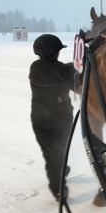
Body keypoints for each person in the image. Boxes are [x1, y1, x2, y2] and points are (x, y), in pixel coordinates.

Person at [29, 34, 76, 201]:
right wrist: (74, 69)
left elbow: (52, 72)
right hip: (61, 119)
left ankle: (60, 169)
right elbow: (78, 87)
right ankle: (58, 190)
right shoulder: (64, 70)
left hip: (39, 119)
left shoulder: (34, 68)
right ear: (55, 52)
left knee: (50, 152)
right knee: (58, 150)